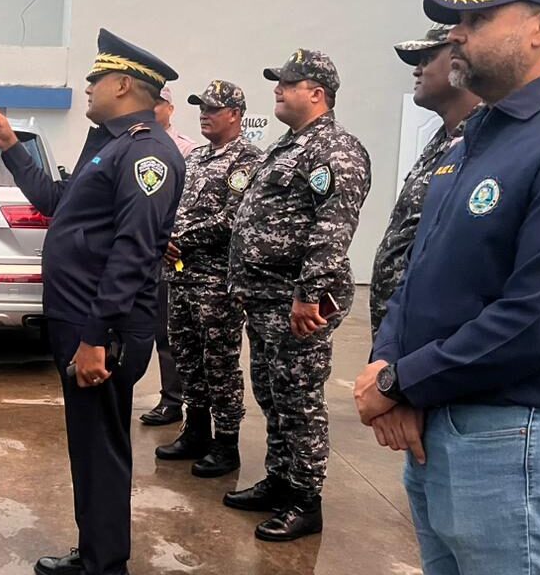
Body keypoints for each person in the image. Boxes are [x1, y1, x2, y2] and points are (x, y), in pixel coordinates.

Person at [357, 0, 540, 573]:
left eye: (478, 19)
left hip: (525, 437)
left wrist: (402, 381)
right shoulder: (479, 136)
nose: (456, 33)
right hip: (451, 424)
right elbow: (420, 268)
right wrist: (389, 363)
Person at [0, 28, 184, 575]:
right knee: (88, 447)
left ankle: (105, 565)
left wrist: (95, 339)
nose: (86, 88)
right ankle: (95, 554)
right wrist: (10, 146)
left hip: (102, 330)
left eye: (95, 79)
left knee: (101, 450)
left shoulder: (145, 153)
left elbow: (134, 253)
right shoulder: (111, 146)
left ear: (123, 83)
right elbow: (57, 203)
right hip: (83, 321)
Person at [226, 49, 370, 541]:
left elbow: (332, 229)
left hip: (298, 305)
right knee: (272, 394)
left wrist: (309, 295)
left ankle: (306, 501)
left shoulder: (336, 150)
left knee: (300, 400)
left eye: (287, 84)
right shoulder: (287, 147)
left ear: (317, 93)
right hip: (265, 299)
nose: (277, 91)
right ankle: (280, 480)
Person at [154, 80, 260, 480]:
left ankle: (226, 442)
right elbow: (174, 208)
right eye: (201, 108)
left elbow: (233, 218)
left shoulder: (247, 159)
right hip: (180, 275)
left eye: (213, 109)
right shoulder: (196, 158)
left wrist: (180, 239)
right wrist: (165, 238)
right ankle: (195, 430)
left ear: (235, 114)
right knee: (186, 354)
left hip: (216, 281)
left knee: (219, 362)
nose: (205, 115)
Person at [369, 25, 480, 335]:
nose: (417, 70)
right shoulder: (442, 139)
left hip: (438, 336)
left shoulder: (487, 140)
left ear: (461, 60)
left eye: (428, 58)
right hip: (398, 328)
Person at [138, 86, 196, 427]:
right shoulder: (134, 145)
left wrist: (170, 240)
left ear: (170, 108)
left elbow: (186, 207)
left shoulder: (186, 151)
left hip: (170, 256)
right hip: (139, 253)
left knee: (169, 335)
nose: (152, 109)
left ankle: (173, 401)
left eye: (158, 103)